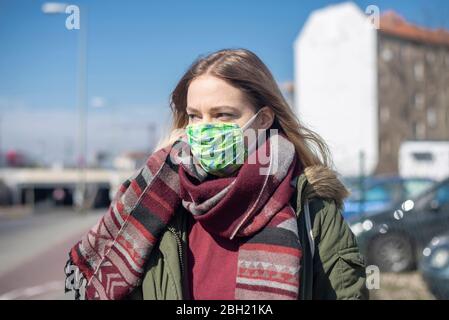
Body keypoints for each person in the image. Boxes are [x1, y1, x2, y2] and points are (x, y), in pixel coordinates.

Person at [64, 48, 368, 300]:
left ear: (263, 120)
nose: (204, 128)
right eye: (195, 116)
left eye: (222, 115)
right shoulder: (157, 200)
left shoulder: (311, 210)